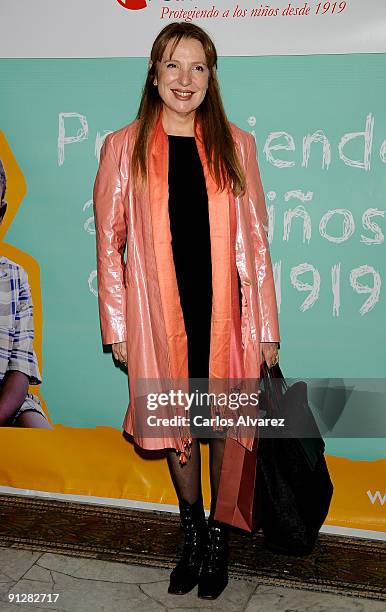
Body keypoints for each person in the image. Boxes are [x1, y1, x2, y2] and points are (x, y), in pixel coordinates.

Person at [93, 22, 280, 600]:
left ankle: (220, 540)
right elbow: (109, 239)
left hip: (227, 313)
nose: (185, 79)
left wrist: (267, 327)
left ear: (211, 77)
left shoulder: (236, 143)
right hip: (156, 316)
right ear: (154, 73)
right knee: (179, 424)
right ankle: (192, 534)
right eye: (173, 65)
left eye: (198, 67)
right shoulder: (123, 146)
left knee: (222, 426)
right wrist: (117, 325)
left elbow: (256, 241)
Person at [0, 159, 50, 429]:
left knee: (43, 441)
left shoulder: (16, 277)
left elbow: (19, 371)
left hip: (9, 399)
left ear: (1, 213)